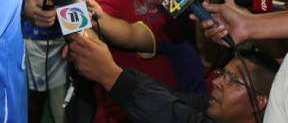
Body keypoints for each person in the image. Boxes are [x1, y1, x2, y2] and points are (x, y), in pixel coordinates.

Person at [66, 32, 279, 123]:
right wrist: (112, 70)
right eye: (223, 74)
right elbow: (171, 99)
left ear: (259, 101)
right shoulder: (211, 106)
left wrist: (110, 75)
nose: (216, 82)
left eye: (233, 80)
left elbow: (172, 117)